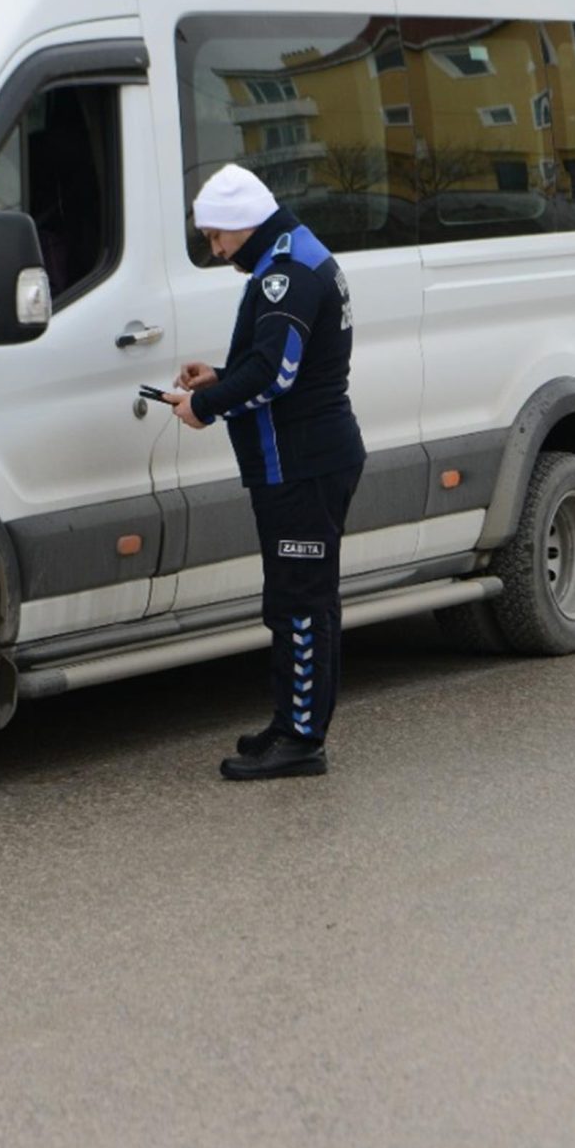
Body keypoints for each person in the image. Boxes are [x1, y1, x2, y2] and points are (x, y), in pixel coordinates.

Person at [160, 164, 364, 780]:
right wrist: (221, 379)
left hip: (300, 464)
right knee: (301, 600)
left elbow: (277, 375)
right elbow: (280, 363)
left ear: (242, 222)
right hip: (305, 459)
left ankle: (302, 741)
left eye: (217, 236)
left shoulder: (286, 274)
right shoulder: (292, 254)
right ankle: (291, 723)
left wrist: (205, 407)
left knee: (300, 604)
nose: (216, 250)